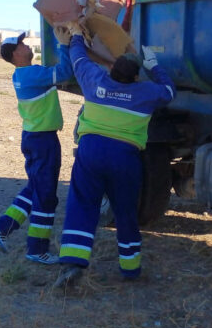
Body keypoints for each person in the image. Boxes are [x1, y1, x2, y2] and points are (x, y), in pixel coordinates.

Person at [57, 32, 176, 283]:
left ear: (111, 71)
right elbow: (169, 91)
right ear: (135, 77)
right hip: (124, 158)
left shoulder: (94, 79)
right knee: (125, 210)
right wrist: (154, 66)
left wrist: (77, 35)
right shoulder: (145, 92)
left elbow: (77, 58)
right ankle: (130, 269)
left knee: (81, 204)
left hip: (90, 153)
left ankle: (72, 264)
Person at [0, 30, 73, 264]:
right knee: (46, 196)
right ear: (15, 54)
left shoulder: (21, 75)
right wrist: (64, 45)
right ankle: (37, 249)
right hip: (43, 141)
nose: (27, 47)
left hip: (33, 137)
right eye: (22, 45)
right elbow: (65, 72)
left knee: (35, 186)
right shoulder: (33, 74)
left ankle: (2, 226)